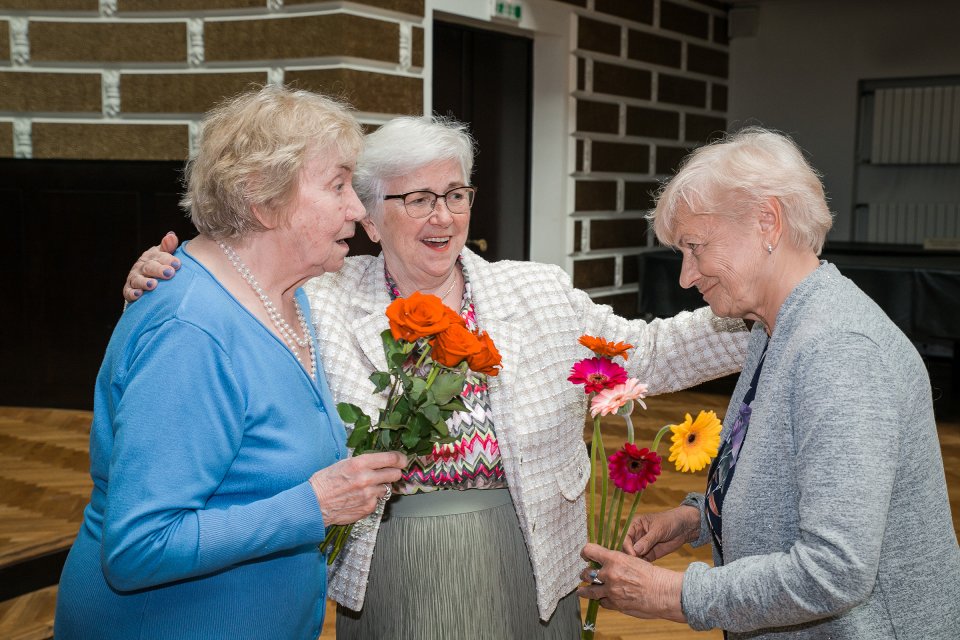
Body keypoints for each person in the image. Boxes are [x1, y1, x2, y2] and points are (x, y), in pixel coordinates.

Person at [123, 115, 751, 638]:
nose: (443, 216)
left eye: (455, 194)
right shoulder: (321, 299)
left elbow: (649, 349)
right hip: (389, 560)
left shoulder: (535, 292)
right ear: (369, 218)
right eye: (417, 199)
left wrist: (767, 312)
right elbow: (231, 294)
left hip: (528, 551)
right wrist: (157, 276)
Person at [577, 126, 960, 638]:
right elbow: (789, 481)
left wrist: (675, 594)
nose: (686, 277)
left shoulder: (838, 349)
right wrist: (699, 518)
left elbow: (835, 570)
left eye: (695, 246)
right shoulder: (773, 324)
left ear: (767, 221)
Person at [54, 86, 407, 640]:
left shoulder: (289, 294)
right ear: (261, 199)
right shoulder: (192, 333)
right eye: (337, 185)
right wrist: (314, 505)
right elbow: (139, 549)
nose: (357, 209)